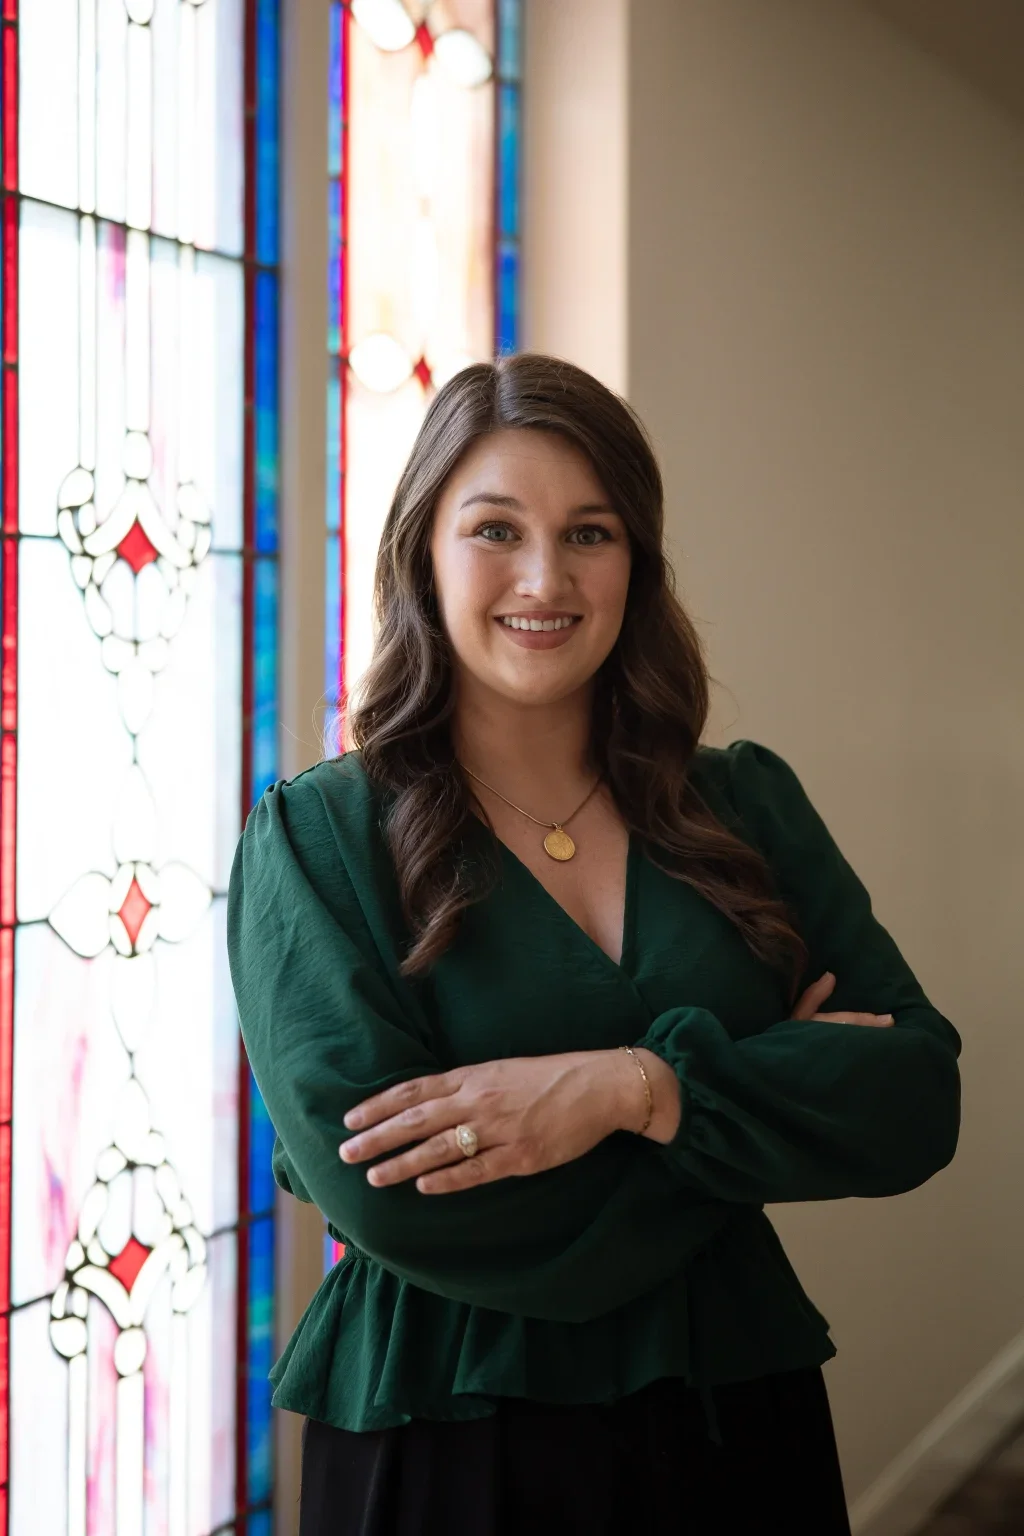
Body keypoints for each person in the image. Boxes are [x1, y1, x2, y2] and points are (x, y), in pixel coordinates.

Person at [227, 352, 962, 1535]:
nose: (544, 577)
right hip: (445, 1434)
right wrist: (755, 1111)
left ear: (638, 562)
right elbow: (394, 1200)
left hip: (737, 1416)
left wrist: (630, 1091)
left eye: (589, 533)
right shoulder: (318, 840)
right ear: (421, 553)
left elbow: (914, 1098)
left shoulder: (744, 805)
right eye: (494, 529)